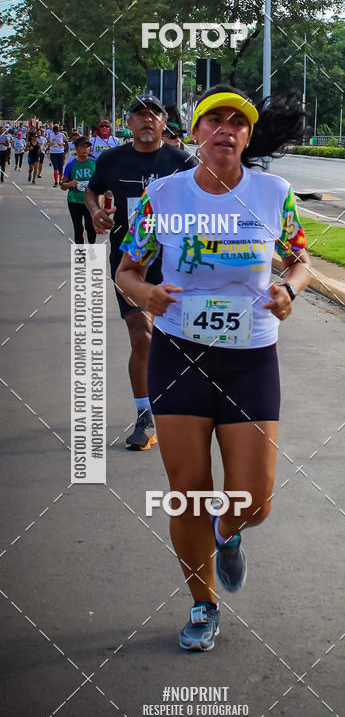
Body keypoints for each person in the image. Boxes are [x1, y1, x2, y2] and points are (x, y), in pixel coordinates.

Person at [115, 84, 309, 652]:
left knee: (255, 501)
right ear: (195, 133)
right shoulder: (164, 196)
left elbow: (300, 260)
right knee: (189, 491)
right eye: (214, 121)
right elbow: (128, 269)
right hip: (179, 357)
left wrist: (289, 290)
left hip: (251, 358)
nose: (227, 130)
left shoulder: (273, 193)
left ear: (248, 138)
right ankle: (203, 604)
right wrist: (143, 294)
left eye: (238, 124)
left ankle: (227, 535)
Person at [85, 94, 198, 450]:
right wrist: (95, 213)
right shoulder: (112, 159)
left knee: (176, 338)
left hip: (177, 264)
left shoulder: (183, 162)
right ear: (128, 123)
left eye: (154, 114)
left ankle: (181, 406)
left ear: (165, 123)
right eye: (139, 114)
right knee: (141, 334)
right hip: (128, 262)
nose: (147, 119)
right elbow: (92, 191)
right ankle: (145, 415)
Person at [61, 136, 96, 244]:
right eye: (82, 147)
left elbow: (102, 181)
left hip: (90, 201)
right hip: (74, 201)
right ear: (76, 149)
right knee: (78, 229)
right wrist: (70, 184)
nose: (85, 149)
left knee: (90, 227)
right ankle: (80, 257)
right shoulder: (71, 165)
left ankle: (92, 252)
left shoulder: (95, 163)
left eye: (87, 147)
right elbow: (62, 186)